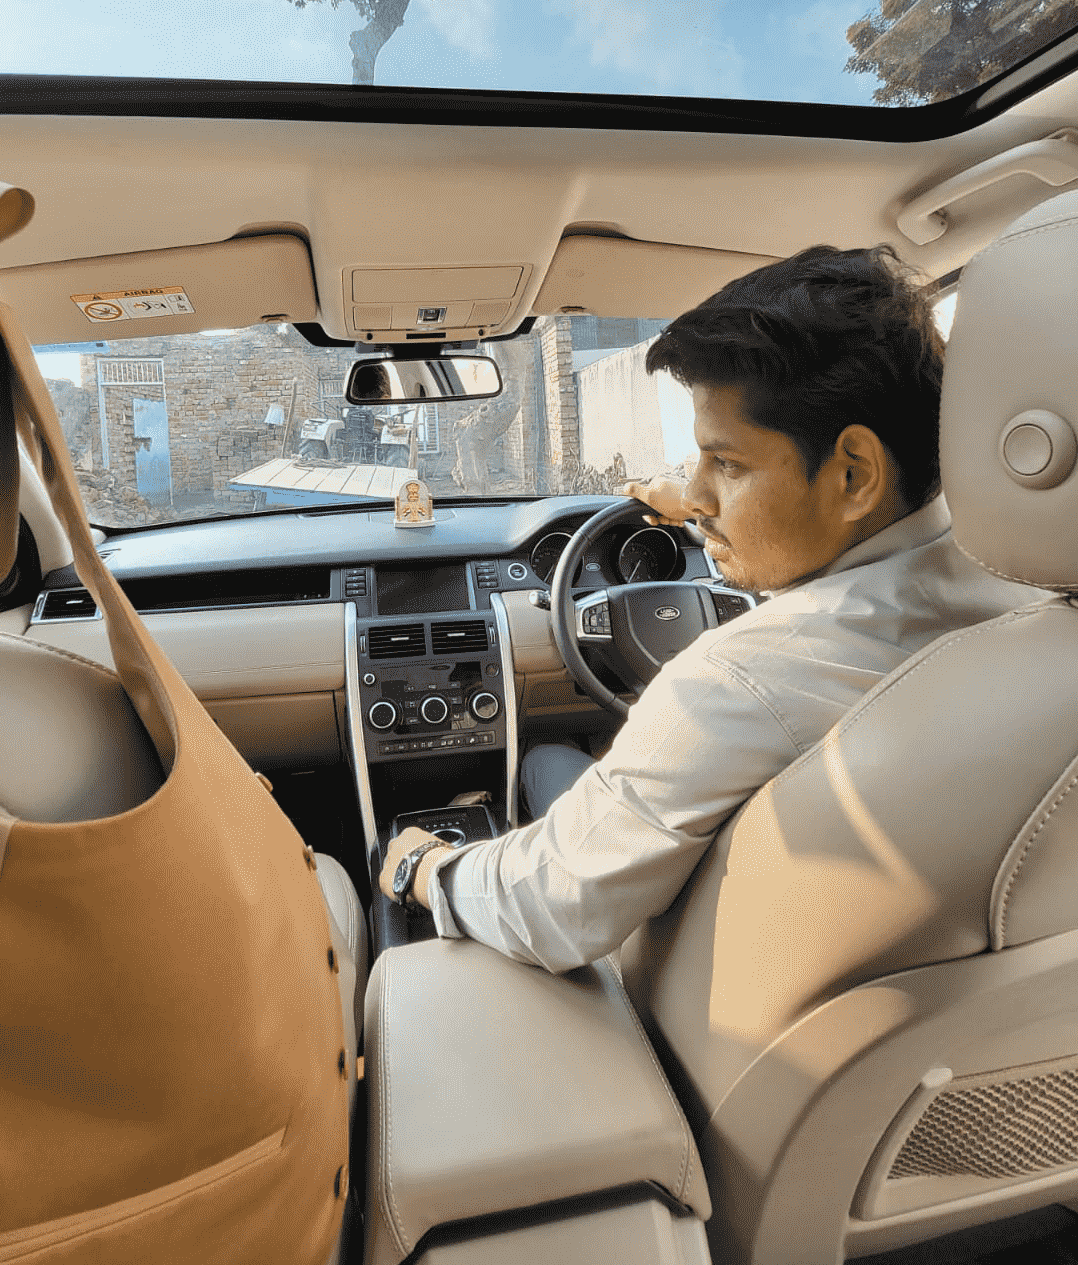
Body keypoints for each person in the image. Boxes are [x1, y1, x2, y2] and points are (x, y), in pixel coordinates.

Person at [379, 244, 1046, 972]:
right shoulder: (1032, 594)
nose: (697, 498)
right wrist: (711, 499)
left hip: (668, 998)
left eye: (727, 463)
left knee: (545, 760)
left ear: (855, 476)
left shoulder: (736, 680)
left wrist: (424, 868)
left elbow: (550, 902)